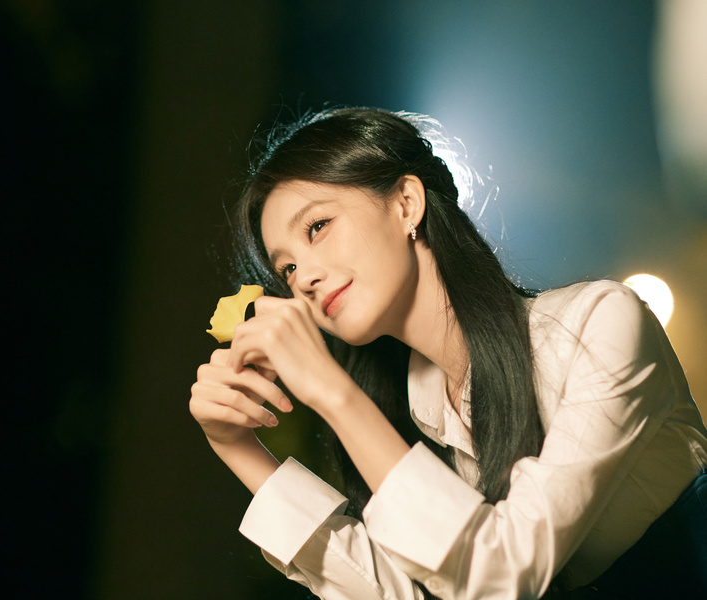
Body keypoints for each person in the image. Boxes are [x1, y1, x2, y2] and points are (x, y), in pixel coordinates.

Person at [188, 107, 707, 599]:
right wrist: (240, 449)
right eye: (287, 269)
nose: (304, 278)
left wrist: (332, 393)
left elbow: (504, 576)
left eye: (318, 227)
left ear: (406, 203)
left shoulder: (598, 325)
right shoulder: (420, 412)